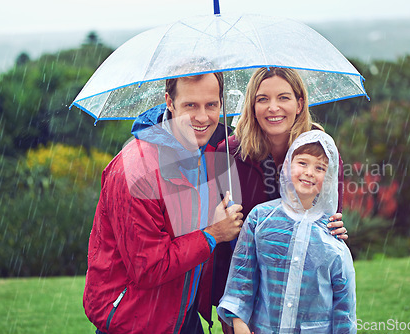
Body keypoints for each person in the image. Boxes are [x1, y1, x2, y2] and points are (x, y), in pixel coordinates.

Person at [83, 72, 244, 334]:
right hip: (136, 321)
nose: (203, 117)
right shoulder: (135, 171)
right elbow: (149, 267)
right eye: (190, 105)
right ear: (169, 102)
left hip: (182, 318)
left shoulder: (201, 155)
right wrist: (214, 234)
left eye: (211, 105)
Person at [213, 67, 347, 331]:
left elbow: (325, 226)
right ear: (252, 106)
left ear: (299, 104)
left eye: (283, 98)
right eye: (263, 99)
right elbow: (222, 238)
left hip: (304, 298)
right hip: (244, 298)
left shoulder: (321, 154)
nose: (273, 107)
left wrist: (335, 231)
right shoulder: (228, 154)